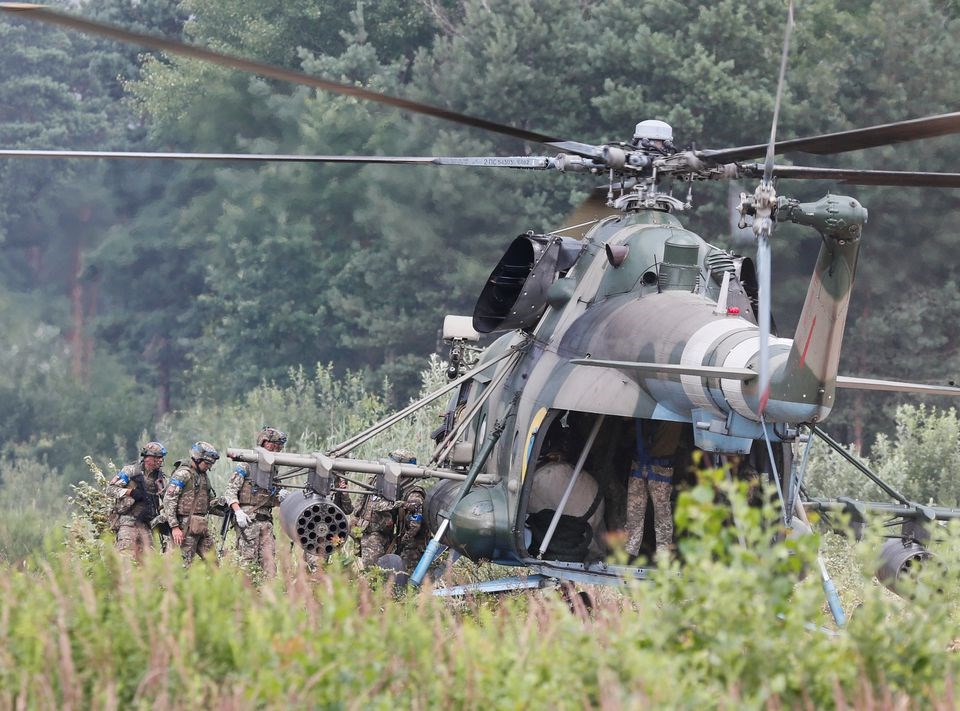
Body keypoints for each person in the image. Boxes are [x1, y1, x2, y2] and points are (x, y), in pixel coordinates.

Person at [224, 426, 286, 576]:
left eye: (279, 446)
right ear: (264, 442)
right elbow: (230, 491)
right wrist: (238, 511)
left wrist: (282, 496)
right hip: (248, 519)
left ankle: (266, 595)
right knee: (247, 563)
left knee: (269, 564)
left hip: (266, 521)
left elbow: (273, 496)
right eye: (274, 445)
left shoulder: (273, 469)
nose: (276, 449)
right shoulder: (247, 464)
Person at [624, 420, 682, 559]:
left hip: (658, 467)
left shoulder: (672, 416)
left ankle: (661, 555)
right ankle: (635, 553)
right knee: (636, 513)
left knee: (659, 515)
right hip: (643, 464)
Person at [106, 441, 167, 560]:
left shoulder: (160, 478)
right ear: (148, 457)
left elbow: (168, 499)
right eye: (158, 457)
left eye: (161, 458)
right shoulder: (131, 471)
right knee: (125, 558)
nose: (160, 460)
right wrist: (130, 492)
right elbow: (110, 489)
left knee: (150, 562)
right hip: (128, 521)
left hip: (146, 524)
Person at [163, 441, 220, 567]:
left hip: (200, 526)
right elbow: (169, 500)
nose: (208, 467)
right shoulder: (183, 474)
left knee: (214, 563)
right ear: (197, 458)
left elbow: (208, 501)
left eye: (211, 464)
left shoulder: (203, 476)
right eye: (207, 463)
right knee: (184, 565)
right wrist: (174, 527)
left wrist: (224, 507)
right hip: (184, 526)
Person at [357, 448, 417, 569]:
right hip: (373, 533)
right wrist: (402, 504)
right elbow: (377, 505)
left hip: (385, 533)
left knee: (383, 570)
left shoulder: (391, 481)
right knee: (373, 571)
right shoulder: (380, 481)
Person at [395, 485, 428, 572]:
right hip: (411, 544)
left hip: (414, 545)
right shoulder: (406, 493)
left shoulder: (414, 497)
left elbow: (415, 526)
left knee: (409, 572)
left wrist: (404, 540)